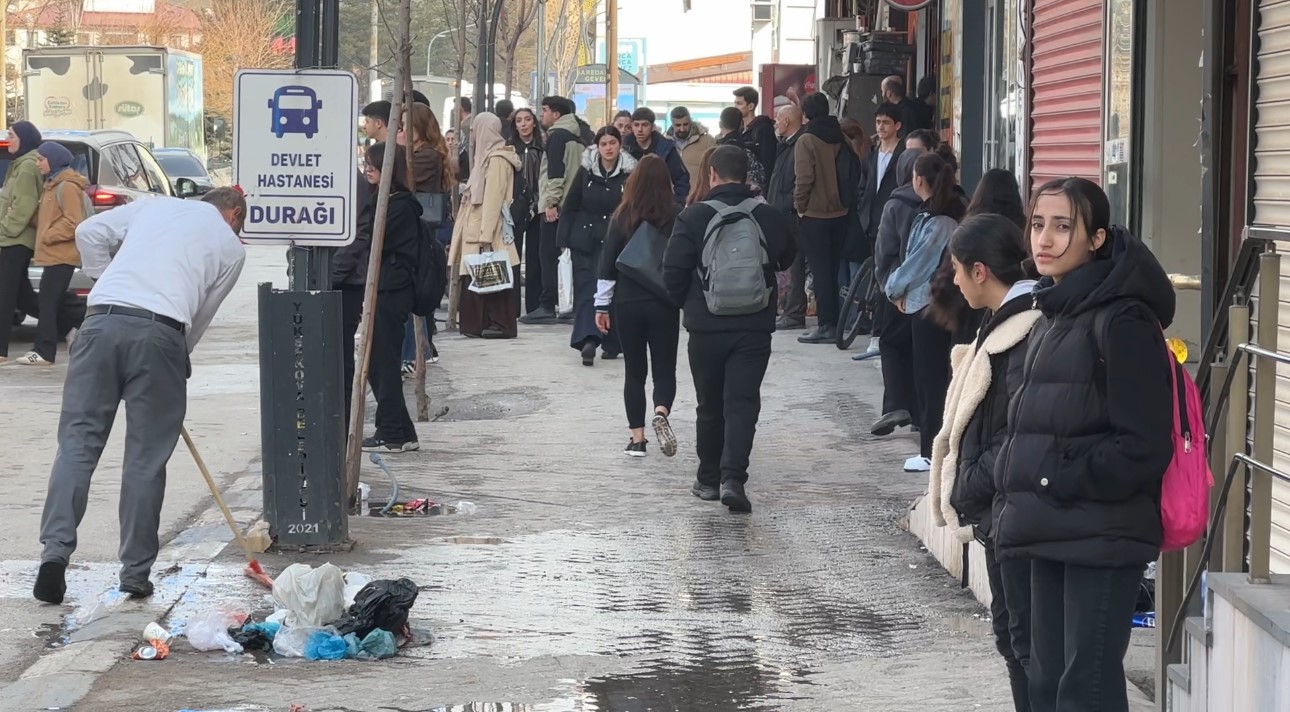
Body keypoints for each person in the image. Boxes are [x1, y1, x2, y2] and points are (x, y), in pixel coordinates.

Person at [998, 178, 1174, 712]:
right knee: (1048, 683)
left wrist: (1057, 477)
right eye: (1037, 224)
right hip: (1050, 525)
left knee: (1085, 689)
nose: (1044, 239)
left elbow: (1143, 445)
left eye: (1063, 226)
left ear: (1097, 238)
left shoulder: (1122, 319)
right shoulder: (1056, 310)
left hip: (1102, 532)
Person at [32, 189, 247, 604]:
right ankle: (134, 573)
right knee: (145, 461)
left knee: (77, 446)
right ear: (234, 215)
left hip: (100, 322)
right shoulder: (230, 249)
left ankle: (54, 556)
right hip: (162, 332)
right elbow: (202, 315)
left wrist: (104, 279)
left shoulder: (154, 205)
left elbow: (90, 231)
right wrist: (177, 358)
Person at [928, 213, 1038, 712]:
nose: (951, 280)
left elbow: (1017, 431)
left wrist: (968, 482)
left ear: (979, 272)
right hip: (1000, 510)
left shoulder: (1024, 330)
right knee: (1014, 639)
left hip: (1013, 511)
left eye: (955, 269)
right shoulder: (1000, 323)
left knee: (1025, 643)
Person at [662, 145, 795, 513]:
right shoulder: (767, 215)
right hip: (753, 327)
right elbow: (787, 256)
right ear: (747, 177)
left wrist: (689, 304)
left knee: (710, 404)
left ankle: (707, 479)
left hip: (705, 328)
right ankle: (732, 478)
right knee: (743, 402)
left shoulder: (693, 217)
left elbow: (672, 272)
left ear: (712, 175)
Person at [883, 151, 965, 473]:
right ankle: (931, 445)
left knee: (931, 379)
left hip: (931, 304)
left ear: (918, 180)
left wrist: (893, 288)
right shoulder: (937, 211)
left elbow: (918, 263)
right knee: (929, 376)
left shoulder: (941, 220)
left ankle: (932, 450)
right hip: (927, 301)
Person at [595, 155, 680, 457]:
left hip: (628, 302)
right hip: (663, 302)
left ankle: (638, 440)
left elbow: (607, 264)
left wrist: (601, 307)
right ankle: (661, 411)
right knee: (664, 369)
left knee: (634, 371)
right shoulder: (676, 215)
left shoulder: (622, 215)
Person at [343, 142, 422, 453]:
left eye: (375, 164)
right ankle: (401, 431)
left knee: (381, 362)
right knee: (378, 361)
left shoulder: (399, 205)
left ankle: (391, 430)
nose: (369, 169)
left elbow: (374, 240)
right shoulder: (383, 200)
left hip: (393, 289)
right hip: (384, 287)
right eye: (367, 164)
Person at [560, 126, 634, 365]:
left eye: (613, 142)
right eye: (603, 144)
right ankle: (587, 339)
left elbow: (636, 207)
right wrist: (563, 239)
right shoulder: (586, 171)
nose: (608, 148)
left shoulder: (629, 173)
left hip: (616, 238)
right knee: (587, 288)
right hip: (585, 238)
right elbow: (570, 204)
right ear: (597, 147)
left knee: (611, 289)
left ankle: (612, 341)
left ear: (619, 144)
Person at [449, 112, 521, 340]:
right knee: (479, 276)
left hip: (487, 229)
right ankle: (481, 324)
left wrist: (486, 235)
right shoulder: (485, 158)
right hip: (478, 226)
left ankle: (497, 323)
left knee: (490, 276)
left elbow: (493, 200)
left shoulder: (497, 159)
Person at [869, 148, 924, 425]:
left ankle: (896, 404)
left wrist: (886, 287)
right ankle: (919, 411)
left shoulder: (896, 203)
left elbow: (884, 251)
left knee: (891, 343)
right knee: (923, 351)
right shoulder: (951, 201)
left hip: (898, 288)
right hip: (934, 291)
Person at [397, 102, 453, 372]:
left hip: (421, 230)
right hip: (418, 229)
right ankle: (422, 347)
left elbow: (402, 180)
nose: (404, 129)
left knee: (412, 291)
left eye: (408, 124)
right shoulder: (420, 152)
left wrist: (396, 149)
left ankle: (415, 351)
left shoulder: (427, 156)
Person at [521, 96, 585, 324]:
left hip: (557, 205)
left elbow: (556, 173)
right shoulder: (578, 134)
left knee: (548, 254)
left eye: (545, 110)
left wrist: (551, 203)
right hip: (574, 205)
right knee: (569, 257)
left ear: (556, 114)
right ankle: (571, 304)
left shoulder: (557, 136)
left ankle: (548, 304)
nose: (542, 115)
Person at [22, 141, 87, 366]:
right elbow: (47, 218)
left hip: (61, 254)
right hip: (52, 254)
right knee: (53, 301)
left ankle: (44, 351)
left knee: (48, 303)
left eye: (41, 160)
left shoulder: (66, 186)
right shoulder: (50, 184)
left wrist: (48, 235)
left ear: (54, 160)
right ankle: (84, 323)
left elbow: (73, 221)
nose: (38, 163)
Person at [794, 93, 850, 344]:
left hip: (814, 214)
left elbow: (804, 178)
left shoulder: (807, 139)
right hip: (842, 212)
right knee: (833, 267)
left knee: (819, 270)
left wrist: (799, 206)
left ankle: (826, 325)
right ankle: (835, 321)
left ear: (806, 114)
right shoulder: (841, 135)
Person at [0, 121, 45, 362]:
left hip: (15, 239)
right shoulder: (19, 164)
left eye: (12, 135)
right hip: (11, 238)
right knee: (22, 296)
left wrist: (5, 228)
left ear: (24, 139)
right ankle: (70, 319)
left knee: (4, 294)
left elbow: (25, 204)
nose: (8, 139)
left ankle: (1, 349)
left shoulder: (27, 167)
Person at [768, 103, 808, 330]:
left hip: (791, 214)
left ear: (787, 121)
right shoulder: (785, 145)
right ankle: (788, 309)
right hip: (781, 211)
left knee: (795, 265)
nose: (775, 122)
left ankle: (794, 312)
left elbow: (800, 181)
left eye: (777, 118)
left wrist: (791, 205)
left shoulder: (799, 144)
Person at [510, 107, 545, 314]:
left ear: (534, 122)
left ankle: (534, 305)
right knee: (513, 256)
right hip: (514, 208)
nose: (523, 124)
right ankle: (512, 306)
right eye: (519, 120)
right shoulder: (508, 148)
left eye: (527, 119)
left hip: (538, 207)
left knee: (535, 257)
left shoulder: (542, 147)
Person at [622, 107, 689, 207]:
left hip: (659, 207)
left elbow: (682, 177)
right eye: (636, 125)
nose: (640, 129)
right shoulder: (624, 148)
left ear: (653, 127)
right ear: (632, 126)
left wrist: (677, 204)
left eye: (645, 125)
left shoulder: (666, 149)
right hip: (630, 206)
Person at [733, 85, 778, 183]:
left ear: (751, 106)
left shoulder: (763, 129)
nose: (735, 107)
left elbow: (768, 161)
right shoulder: (739, 129)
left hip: (758, 187)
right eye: (735, 103)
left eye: (739, 103)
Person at [716, 107, 767, 193]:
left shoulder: (716, 152)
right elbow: (760, 180)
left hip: (721, 199)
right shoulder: (749, 151)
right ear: (741, 124)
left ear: (720, 124)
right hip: (748, 201)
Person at [667, 106, 715, 180]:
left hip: (699, 191)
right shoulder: (665, 143)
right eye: (678, 125)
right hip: (672, 191)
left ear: (691, 122)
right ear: (672, 125)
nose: (682, 129)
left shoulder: (708, 141)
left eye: (685, 124)